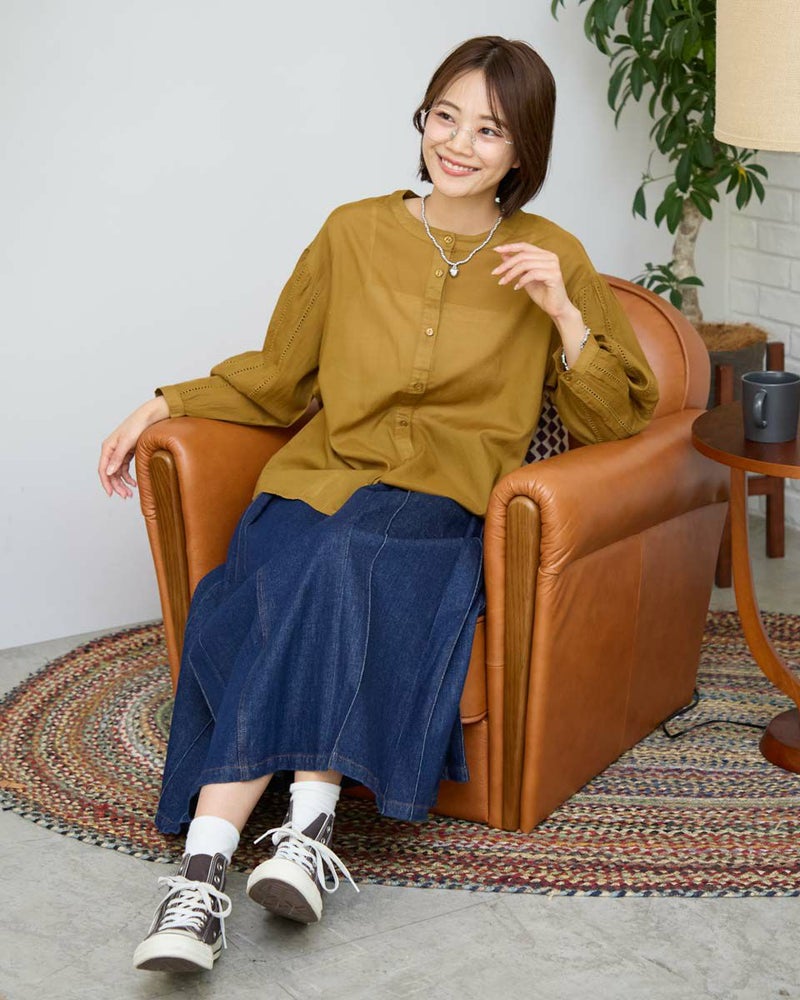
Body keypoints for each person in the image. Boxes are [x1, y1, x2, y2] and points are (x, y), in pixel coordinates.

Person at [98, 35, 658, 974]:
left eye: (490, 130)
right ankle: (290, 839)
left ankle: (211, 871)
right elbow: (281, 375)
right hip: (315, 481)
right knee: (283, 576)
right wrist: (164, 404)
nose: (460, 144)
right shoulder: (351, 232)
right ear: (422, 119)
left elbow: (619, 415)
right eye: (446, 117)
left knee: (339, 561)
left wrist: (565, 314)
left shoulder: (551, 254)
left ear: (524, 149)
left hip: (439, 501)